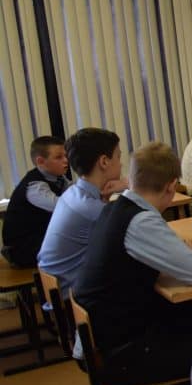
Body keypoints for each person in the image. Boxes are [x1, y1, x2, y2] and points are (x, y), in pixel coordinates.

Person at [73, 142, 192, 385]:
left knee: (185, 313)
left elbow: (161, 252)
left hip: (104, 336)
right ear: (171, 186)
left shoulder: (115, 206)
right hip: (117, 353)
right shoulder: (141, 223)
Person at [37, 128, 127, 300]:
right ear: (104, 162)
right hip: (74, 298)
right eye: (118, 156)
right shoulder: (91, 209)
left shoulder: (72, 194)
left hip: (59, 288)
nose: (121, 163)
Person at [2, 136, 70, 267]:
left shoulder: (59, 179)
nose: (66, 161)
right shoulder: (34, 187)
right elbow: (64, 207)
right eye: (59, 157)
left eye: (65, 156)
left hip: (39, 242)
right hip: (21, 250)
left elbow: (74, 194)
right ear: (41, 161)